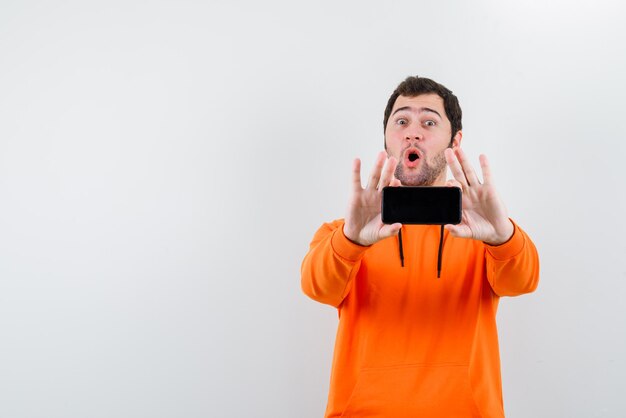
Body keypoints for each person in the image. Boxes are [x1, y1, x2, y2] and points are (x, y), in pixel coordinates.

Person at [301, 76, 539, 418]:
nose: (413, 132)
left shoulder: (483, 233)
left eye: (429, 121)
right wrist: (350, 241)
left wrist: (502, 236)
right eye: (401, 121)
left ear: (455, 141)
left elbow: (523, 281)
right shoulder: (342, 233)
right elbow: (316, 287)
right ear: (386, 139)